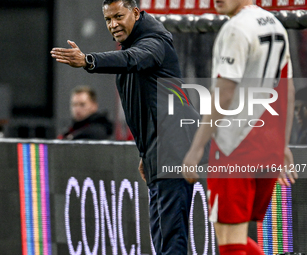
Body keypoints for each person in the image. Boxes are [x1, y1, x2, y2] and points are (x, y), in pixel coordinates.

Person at [51, 0, 209, 253]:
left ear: (136, 13)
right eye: (107, 20)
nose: (113, 25)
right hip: (158, 150)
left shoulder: (154, 41)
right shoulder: (133, 43)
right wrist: (145, 153)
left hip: (174, 150)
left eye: (118, 16)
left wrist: (89, 60)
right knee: (162, 235)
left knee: (171, 238)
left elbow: (133, 59)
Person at [182, 1, 298, 255]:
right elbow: (287, 89)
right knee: (232, 236)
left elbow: (224, 94)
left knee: (230, 241)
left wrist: (197, 147)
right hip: (268, 147)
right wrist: (283, 143)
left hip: (235, 146)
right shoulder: (276, 25)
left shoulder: (236, 28)